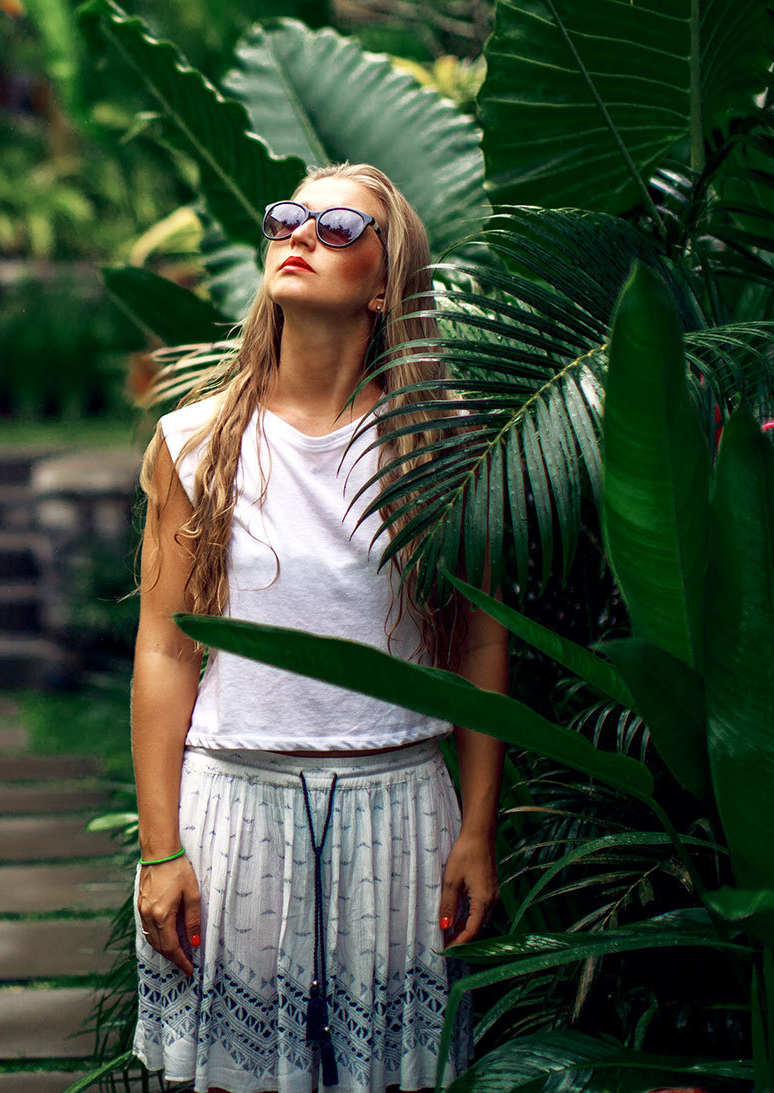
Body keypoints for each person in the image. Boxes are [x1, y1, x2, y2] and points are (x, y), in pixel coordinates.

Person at [128, 163, 507, 1093]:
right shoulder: (197, 440)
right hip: (239, 807)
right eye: (289, 217)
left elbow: (478, 645)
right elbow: (165, 648)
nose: (301, 233)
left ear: (384, 286)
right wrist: (160, 848)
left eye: (339, 225)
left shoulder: (445, 448)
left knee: (395, 1080)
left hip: (401, 808)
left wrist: (479, 831)